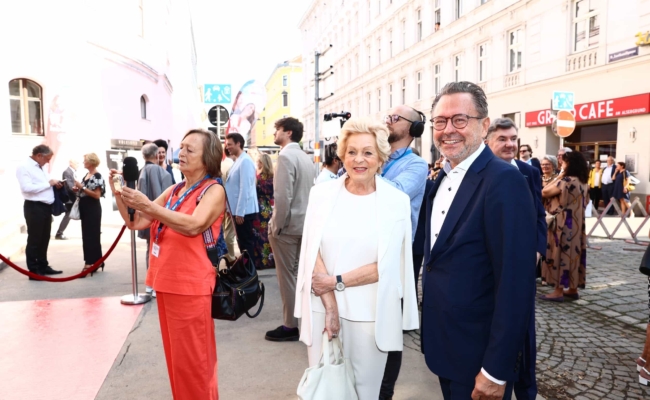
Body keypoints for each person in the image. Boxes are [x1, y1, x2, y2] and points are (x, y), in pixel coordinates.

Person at [422, 81, 536, 400]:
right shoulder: (442, 176)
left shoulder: (504, 181)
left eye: (460, 119)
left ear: (484, 125)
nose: (448, 130)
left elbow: (516, 284)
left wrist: (495, 370)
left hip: (480, 359)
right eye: (440, 121)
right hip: (446, 348)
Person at [294, 117, 418, 400]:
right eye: (351, 152)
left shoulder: (395, 201)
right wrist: (331, 305)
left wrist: (335, 281)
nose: (358, 159)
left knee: (366, 392)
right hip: (321, 306)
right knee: (326, 387)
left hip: (371, 312)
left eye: (367, 152)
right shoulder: (321, 194)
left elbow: (390, 265)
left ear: (381, 158)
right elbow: (311, 249)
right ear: (341, 155)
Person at [110, 129, 226, 400]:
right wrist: (120, 193)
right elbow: (135, 222)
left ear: (207, 158)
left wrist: (148, 206)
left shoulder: (213, 190)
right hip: (166, 284)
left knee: (195, 365)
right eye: (181, 147)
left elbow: (194, 225)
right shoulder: (175, 189)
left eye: (190, 149)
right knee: (178, 364)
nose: (181, 153)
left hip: (191, 286)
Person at [485, 118, 547, 400]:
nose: (510, 144)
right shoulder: (483, 173)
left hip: (525, 268)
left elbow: (539, 216)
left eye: (513, 139)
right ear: (488, 141)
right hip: (492, 267)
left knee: (526, 331)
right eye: (502, 139)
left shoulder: (528, 171)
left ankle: (527, 390)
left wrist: (537, 250)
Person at [379, 104, 429, 399]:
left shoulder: (417, 165)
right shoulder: (373, 155)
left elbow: (390, 194)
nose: (388, 119)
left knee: (390, 327)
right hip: (361, 249)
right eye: (388, 115)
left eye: (395, 118)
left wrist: (364, 166)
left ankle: (384, 391)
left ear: (413, 129)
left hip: (396, 255)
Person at [266, 117, 315, 342]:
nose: (274, 133)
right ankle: (301, 321)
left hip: (288, 226)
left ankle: (290, 325)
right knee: (299, 275)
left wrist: (276, 226)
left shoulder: (285, 156)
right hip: (305, 224)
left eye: (277, 129)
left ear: (287, 132)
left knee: (287, 277)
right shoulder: (305, 157)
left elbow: (282, 197)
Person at [540, 151, 589, 301]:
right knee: (575, 254)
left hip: (562, 223)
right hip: (577, 223)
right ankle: (573, 288)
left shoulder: (566, 181)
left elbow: (545, 192)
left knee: (559, 253)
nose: (562, 164)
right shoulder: (583, 182)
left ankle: (558, 291)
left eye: (565, 162)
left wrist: (560, 175)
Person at [16, 145, 64, 279]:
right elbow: (27, 188)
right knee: (35, 239)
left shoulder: (40, 166)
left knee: (44, 238)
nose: (48, 162)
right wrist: (49, 184)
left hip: (45, 207)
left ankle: (43, 265)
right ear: (39, 155)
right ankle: (33, 269)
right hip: (34, 207)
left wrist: (54, 183)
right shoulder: (24, 167)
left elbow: (42, 184)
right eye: (47, 159)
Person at [137, 143, 174, 291]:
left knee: (150, 249)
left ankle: (150, 283)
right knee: (162, 249)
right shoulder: (163, 173)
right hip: (162, 218)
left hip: (145, 217)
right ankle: (159, 282)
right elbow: (170, 198)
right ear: (156, 154)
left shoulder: (141, 171)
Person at [224, 133, 259, 261]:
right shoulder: (239, 160)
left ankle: (249, 274)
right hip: (239, 212)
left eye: (230, 144)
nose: (227, 147)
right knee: (243, 244)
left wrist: (239, 212)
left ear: (238, 143)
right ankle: (247, 272)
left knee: (246, 245)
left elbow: (245, 188)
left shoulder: (245, 161)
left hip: (244, 212)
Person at [72, 153, 106, 276]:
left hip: (92, 208)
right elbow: (85, 190)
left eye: (85, 160)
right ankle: (97, 261)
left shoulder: (97, 176)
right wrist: (78, 189)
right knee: (88, 235)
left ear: (91, 162)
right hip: (85, 208)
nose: (83, 162)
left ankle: (89, 263)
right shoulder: (87, 175)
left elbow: (97, 195)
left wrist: (82, 188)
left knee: (91, 236)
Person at [254, 153, 275, 269]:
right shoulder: (274, 177)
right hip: (270, 206)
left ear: (262, 163)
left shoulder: (258, 177)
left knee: (260, 236)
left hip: (260, 207)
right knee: (268, 235)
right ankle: (271, 260)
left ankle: (261, 262)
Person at [220, 147, 237, 264]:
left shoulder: (221, 165)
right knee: (229, 232)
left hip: (220, 203)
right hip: (229, 204)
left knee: (223, 230)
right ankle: (230, 256)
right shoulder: (232, 166)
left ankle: (225, 255)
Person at [55, 159, 78, 240]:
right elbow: (70, 186)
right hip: (70, 198)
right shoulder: (67, 172)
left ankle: (93, 229)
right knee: (68, 215)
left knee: (84, 212)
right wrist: (78, 193)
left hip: (73, 197)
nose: (78, 164)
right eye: (76, 162)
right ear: (71, 163)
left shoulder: (72, 172)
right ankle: (59, 233)